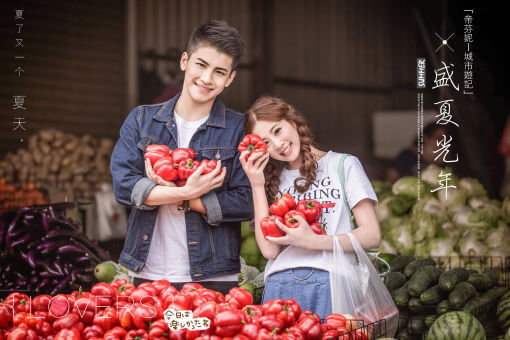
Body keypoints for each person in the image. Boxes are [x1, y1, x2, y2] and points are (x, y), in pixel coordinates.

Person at [110, 20, 253, 294]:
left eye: (219, 71)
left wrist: (184, 196)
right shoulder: (141, 120)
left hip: (214, 277)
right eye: (201, 64)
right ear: (184, 61)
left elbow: (246, 201)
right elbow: (124, 186)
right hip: (149, 272)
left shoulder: (238, 128)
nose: (207, 78)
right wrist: (187, 191)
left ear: (230, 78)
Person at [239, 96, 381, 319]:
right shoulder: (272, 181)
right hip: (279, 286)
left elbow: (372, 235)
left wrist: (314, 241)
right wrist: (256, 183)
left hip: (332, 282)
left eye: (277, 131)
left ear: (293, 122)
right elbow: (269, 251)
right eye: (265, 142)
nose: (277, 145)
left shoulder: (343, 165)